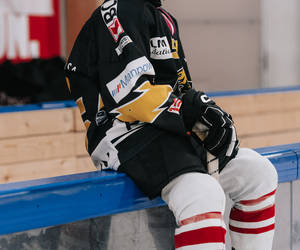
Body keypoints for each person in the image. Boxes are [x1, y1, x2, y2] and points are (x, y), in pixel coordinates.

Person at [64, 0, 278, 249]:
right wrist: (191, 115)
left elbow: (182, 94)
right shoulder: (117, 11)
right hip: (125, 137)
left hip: (166, 131)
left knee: (257, 173)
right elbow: (130, 96)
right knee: (202, 194)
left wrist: (205, 127)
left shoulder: (162, 17)